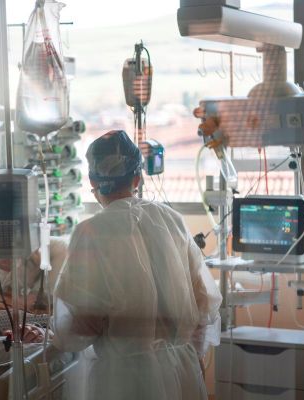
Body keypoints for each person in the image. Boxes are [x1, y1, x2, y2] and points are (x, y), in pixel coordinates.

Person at [52, 130, 222, 400]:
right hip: (181, 371)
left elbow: (81, 327)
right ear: (137, 177)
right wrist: (191, 362)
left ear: (92, 181)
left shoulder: (90, 232)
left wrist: (51, 334)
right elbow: (204, 304)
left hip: (125, 380)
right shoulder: (171, 220)